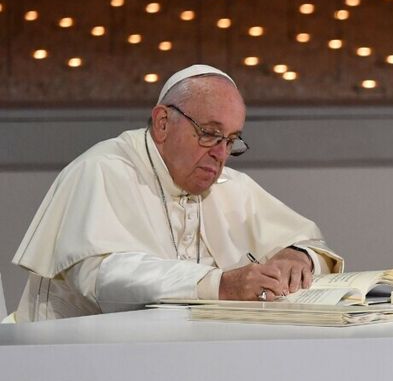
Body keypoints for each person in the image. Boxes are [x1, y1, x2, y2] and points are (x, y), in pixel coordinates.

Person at [11, 64, 342, 321]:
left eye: (231, 140)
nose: (220, 153)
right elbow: (102, 278)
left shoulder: (229, 185)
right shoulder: (102, 169)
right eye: (210, 133)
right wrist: (219, 285)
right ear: (163, 123)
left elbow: (310, 243)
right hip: (68, 364)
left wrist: (297, 255)